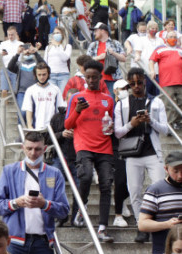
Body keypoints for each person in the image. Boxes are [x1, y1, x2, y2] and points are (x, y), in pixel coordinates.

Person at [114, 67, 170, 242]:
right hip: (132, 153)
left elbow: (166, 129)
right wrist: (131, 124)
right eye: (132, 84)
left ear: (145, 81)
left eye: (139, 82)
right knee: (135, 191)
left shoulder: (156, 102)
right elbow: (117, 132)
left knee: (160, 188)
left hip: (152, 152)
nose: (136, 86)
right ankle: (141, 225)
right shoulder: (122, 104)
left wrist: (150, 121)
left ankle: (159, 223)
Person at [64, 60, 116, 242]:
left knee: (106, 185)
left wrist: (111, 127)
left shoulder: (108, 99)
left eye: (95, 77)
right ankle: (81, 207)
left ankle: (102, 228)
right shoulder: (76, 97)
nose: (92, 80)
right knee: (85, 176)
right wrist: (77, 110)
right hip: (84, 145)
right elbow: (68, 125)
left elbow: (112, 124)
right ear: (84, 77)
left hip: (105, 147)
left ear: (101, 78)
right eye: (88, 77)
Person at [85, 21, 126, 97]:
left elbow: (123, 58)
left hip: (113, 79)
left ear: (103, 31)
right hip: (97, 80)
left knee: (112, 102)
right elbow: (86, 62)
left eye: (96, 30)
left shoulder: (115, 43)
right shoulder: (93, 45)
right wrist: (99, 57)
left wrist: (113, 53)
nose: (94, 33)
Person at [22, 62, 64, 130]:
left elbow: (60, 109)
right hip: (37, 127)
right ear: (35, 75)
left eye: (44, 74)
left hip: (52, 128)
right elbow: (28, 110)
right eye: (39, 75)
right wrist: (30, 126)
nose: (42, 77)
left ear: (48, 74)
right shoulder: (30, 90)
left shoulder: (56, 89)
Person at [43, 26, 72, 92]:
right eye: (54, 33)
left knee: (62, 97)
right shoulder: (48, 47)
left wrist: (57, 46)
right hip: (51, 75)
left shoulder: (67, 46)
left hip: (63, 75)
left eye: (58, 33)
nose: (56, 35)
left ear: (63, 35)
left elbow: (64, 58)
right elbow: (45, 62)